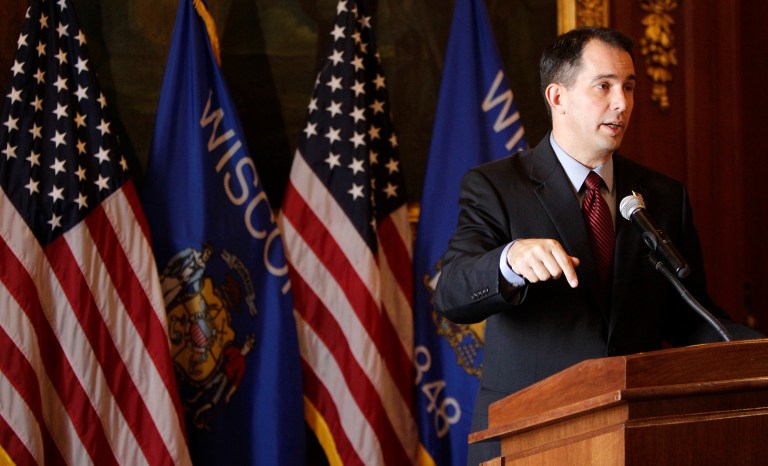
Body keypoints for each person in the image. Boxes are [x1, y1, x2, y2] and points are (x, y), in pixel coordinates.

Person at [433, 26, 763, 465]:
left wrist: (756, 351)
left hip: (635, 439)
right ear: (558, 97)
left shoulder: (663, 197)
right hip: (528, 439)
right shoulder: (497, 186)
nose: (622, 103)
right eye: (604, 86)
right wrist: (509, 261)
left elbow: (691, 317)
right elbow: (452, 292)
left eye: (629, 87)